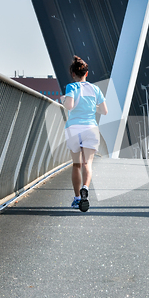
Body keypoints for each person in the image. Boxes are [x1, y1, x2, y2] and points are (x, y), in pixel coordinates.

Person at [61, 56, 108, 211]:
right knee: (87, 163)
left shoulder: (71, 87)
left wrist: (64, 101)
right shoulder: (95, 89)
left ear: (73, 74)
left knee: (76, 165)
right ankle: (86, 188)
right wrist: (92, 108)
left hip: (74, 129)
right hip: (91, 128)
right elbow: (104, 111)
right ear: (86, 74)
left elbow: (69, 106)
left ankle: (76, 199)